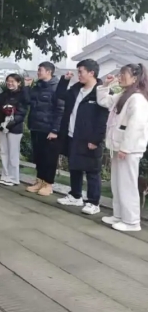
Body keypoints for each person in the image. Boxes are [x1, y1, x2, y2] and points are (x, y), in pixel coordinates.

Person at [96, 64, 148, 232]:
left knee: (127, 184)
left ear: (135, 78)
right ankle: (119, 215)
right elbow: (104, 101)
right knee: (117, 184)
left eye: (123, 74)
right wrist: (105, 85)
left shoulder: (137, 98)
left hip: (129, 149)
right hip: (119, 147)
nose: (120, 77)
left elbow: (137, 125)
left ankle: (132, 221)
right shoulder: (124, 95)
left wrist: (126, 147)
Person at [56, 59, 109, 215]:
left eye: (81, 72)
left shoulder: (101, 92)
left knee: (92, 171)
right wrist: (65, 80)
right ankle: (75, 195)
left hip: (89, 139)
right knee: (74, 167)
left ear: (91, 73)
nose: (78, 75)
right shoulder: (76, 89)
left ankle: (93, 202)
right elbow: (60, 95)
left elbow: (103, 120)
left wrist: (96, 139)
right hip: (73, 135)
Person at [25, 61, 65, 196]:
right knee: (39, 157)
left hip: (49, 129)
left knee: (49, 158)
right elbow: (28, 101)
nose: (38, 72)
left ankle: (48, 184)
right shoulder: (37, 86)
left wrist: (55, 130)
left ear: (49, 72)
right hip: (36, 127)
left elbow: (60, 110)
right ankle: (39, 180)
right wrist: (27, 87)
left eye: (40, 70)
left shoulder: (57, 88)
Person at [0, 74, 29, 186]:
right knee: (4, 152)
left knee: (13, 154)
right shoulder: (4, 94)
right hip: (3, 126)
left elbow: (23, 110)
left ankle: (14, 178)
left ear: (19, 83)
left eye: (12, 81)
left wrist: (12, 122)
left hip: (15, 127)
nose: (10, 83)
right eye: (8, 81)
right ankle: (5, 175)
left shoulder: (22, 94)